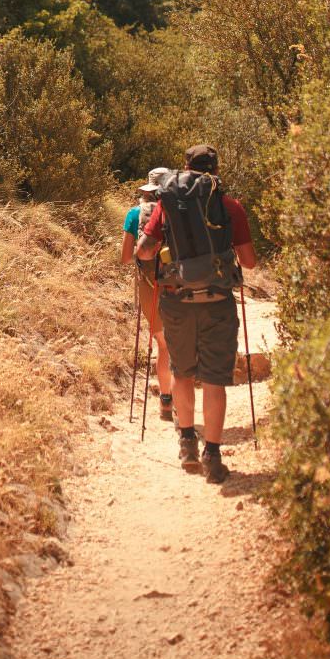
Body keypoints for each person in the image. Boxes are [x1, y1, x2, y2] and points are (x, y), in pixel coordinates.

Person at [136, 144, 257, 484]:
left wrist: (168, 252)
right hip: (217, 301)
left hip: (177, 300)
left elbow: (145, 252)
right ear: (216, 170)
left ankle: (187, 441)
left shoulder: (168, 203)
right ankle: (213, 458)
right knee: (215, 378)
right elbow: (248, 262)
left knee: (182, 371)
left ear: (185, 167)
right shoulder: (230, 206)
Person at [121, 169, 173, 420]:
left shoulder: (134, 214)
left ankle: (166, 400)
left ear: (147, 190)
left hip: (148, 285)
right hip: (177, 283)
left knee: (163, 344)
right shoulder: (178, 212)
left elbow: (124, 258)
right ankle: (182, 398)